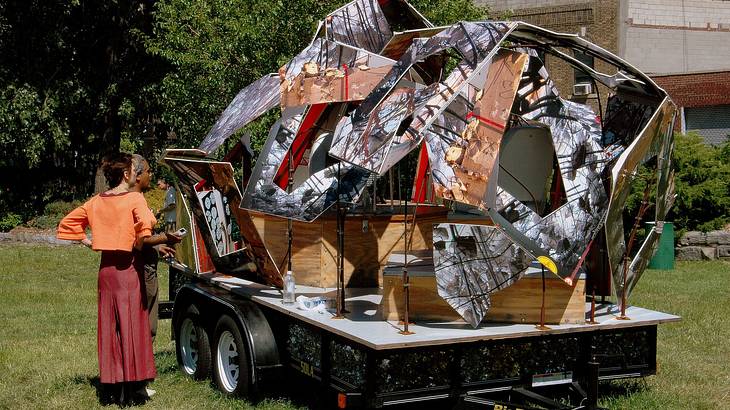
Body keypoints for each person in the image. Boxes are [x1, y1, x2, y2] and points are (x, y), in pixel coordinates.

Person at [57, 152, 180, 405]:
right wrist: (168, 238)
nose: (139, 174)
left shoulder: (96, 201)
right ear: (126, 174)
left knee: (111, 328)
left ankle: (114, 386)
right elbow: (142, 240)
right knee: (132, 327)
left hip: (106, 273)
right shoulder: (134, 199)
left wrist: (88, 240)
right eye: (136, 170)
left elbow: (68, 223)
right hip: (127, 272)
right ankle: (131, 389)